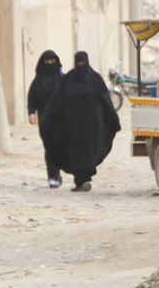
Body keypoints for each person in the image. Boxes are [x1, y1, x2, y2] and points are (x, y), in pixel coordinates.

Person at [40, 51, 121, 192]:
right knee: (75, 151)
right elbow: (56, 99)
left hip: (91, 125)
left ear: (88, 63)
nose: (81, 66)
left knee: (89, 150)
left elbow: (105, 101)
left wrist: (113, 118)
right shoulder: (68, 79)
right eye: (78, 64)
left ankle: (83, 179)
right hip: (72, 125)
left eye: (83, 64)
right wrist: (46, 117)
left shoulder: (95, 79)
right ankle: (81, 181)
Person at [27, 50, 64, 188]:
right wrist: (31, 113)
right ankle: (53, 177)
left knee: (58, 146)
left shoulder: (62, 80)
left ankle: (58, 173)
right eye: (47, 62)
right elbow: (32, 99)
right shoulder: (37, 82)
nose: (50, 64)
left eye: (53, 62)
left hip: (60, 119)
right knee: (49, 146)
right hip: (44, 119)